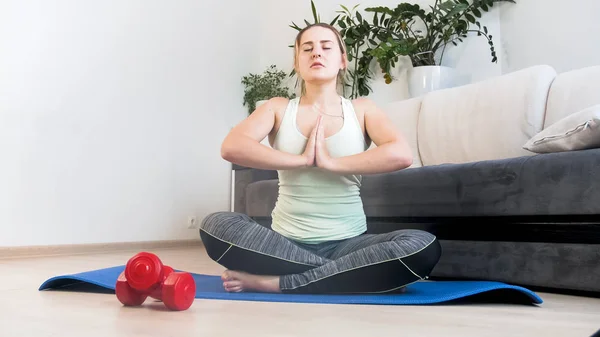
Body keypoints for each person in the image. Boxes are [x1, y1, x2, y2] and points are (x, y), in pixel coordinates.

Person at [199, 23, 441, 294]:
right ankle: (350, 272)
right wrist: (301, 160)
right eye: (308, 49)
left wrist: (330, 163)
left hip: (348, 244)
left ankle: (278, 282)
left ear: (342, 60)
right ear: (297, 62)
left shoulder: (361, 110)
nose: (317, 54)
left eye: (326, 47)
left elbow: (401, 153)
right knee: (215, 225)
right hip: (283, 243)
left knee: (423, 246)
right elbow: (232, 146)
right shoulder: (278, 108)